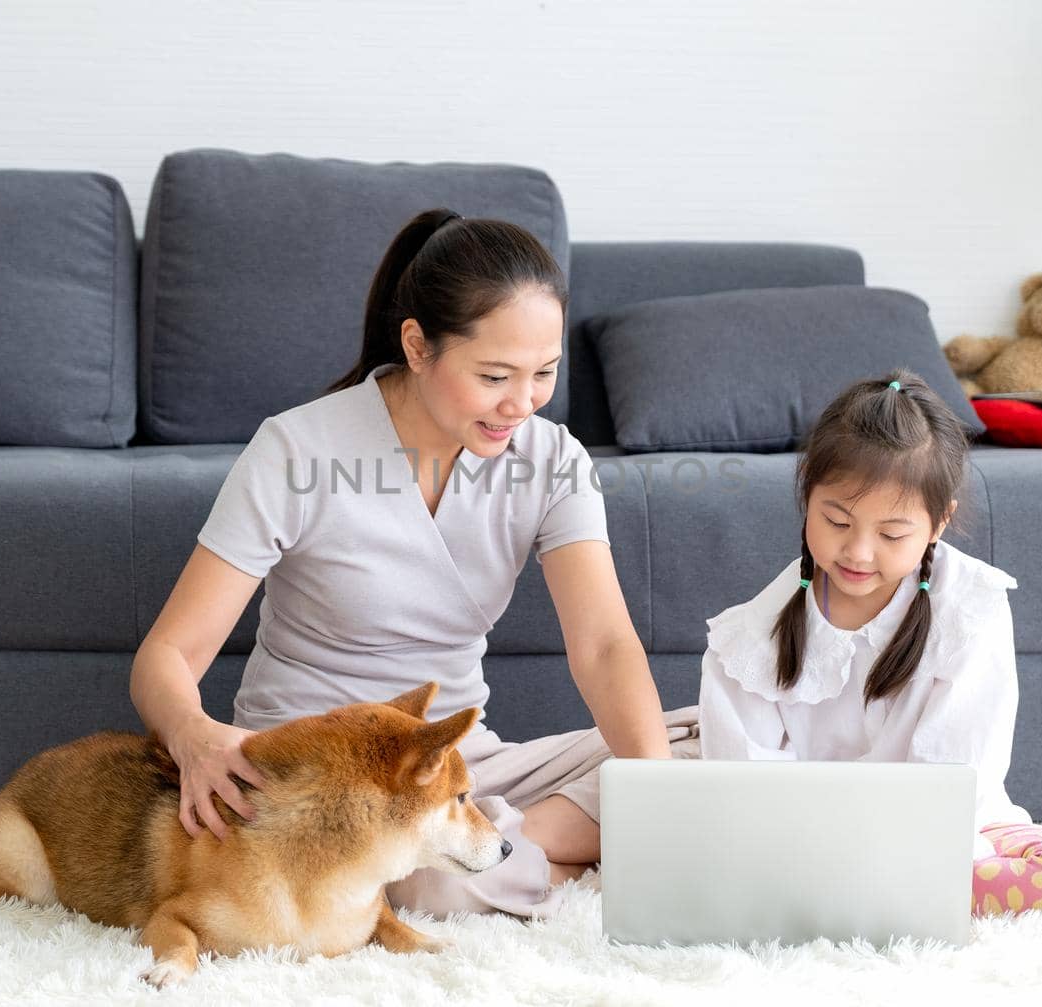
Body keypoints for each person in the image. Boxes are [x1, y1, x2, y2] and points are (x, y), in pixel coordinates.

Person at [130, 207, 696, 918]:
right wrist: (196, 737)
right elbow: (167, 654)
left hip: (460, 771)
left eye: (543, 373)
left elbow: (606, 646)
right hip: (324, 780)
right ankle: (531, 856)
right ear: (418, 346)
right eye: (494, 375)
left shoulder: (553, 461)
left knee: (705, 745)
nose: (520, 404)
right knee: (421, 874)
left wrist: (661, 799)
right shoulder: (297, 450)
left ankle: (520, 844)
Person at [697, 373, 1042, 920]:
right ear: (807, 495)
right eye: (837, 520)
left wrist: (898, 856)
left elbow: (957, 781)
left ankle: (853, 897)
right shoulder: (750, 639)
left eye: (892, 535)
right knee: (721, 863)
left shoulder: (971, 607)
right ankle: (863, 896)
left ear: (938, 523)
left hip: (951, 830)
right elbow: (747, 793)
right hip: (807, 840)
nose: (859, 552)